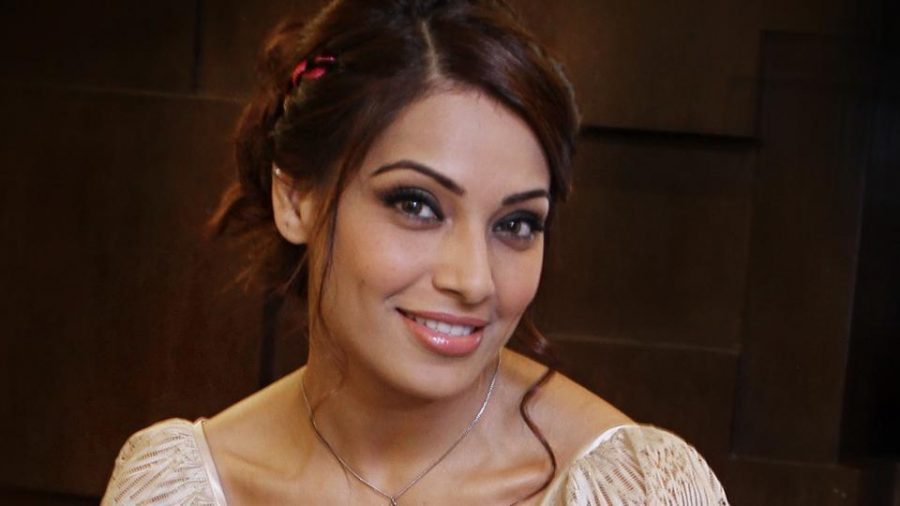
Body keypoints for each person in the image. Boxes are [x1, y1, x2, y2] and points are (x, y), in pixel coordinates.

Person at [101, 0, 729, 504]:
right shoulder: (181, 489)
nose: (474, 280)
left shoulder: (635, 491)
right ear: (295, 198)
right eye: (416, 205)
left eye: (515, 223)